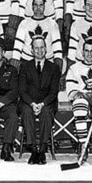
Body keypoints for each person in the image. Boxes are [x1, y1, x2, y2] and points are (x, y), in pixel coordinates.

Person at [18, 37, 61, 165]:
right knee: (26, 111)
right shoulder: (25, 67)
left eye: (42, 47)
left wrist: (42, 104)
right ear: (31, 50)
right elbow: (22, 91)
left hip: (47, 102)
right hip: (28, 102)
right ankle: (32, 150)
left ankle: (42, 149)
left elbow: (54, 92)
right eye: (36, 48)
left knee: (47, 112)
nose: (39, 50)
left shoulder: (54, 68)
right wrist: (32, 104)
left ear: (46, 49)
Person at [11, 0, 63, 71]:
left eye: (41, 5)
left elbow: (57, 48)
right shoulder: (24, 23)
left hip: (47, 62)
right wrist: (15, 65)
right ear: (32, 6)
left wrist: (57, 67)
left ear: (44, 6)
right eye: (36, 5)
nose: (38, 8)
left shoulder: (52, 24)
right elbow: (17, 47)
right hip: (27, 62)